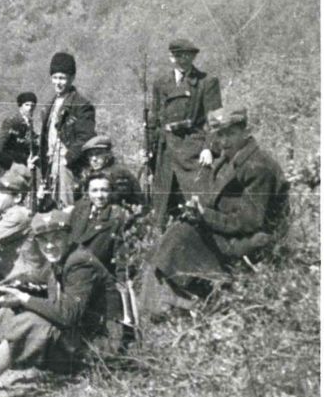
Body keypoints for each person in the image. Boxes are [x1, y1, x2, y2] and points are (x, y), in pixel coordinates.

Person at [0, 209, 111, 397]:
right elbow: (30, 279)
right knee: (7, 313)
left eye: (56, 238)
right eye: (43, 240)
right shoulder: (61, 259)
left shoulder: (79, 263)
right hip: (78, 337)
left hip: (97, 347)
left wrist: (24, 298)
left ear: (68, 237)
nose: (49, 245)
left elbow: (68, 314)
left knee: (31, 321)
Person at [139, 107, 289, 319]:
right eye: (220, 135)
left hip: (251, 240)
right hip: (231, 232)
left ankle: (173, 310)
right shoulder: (229, 160)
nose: (224, 141)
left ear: (245, 132)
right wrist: (198, 211)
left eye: (231, 134)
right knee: (176, 234)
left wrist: (205, 216)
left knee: (179, 237)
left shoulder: (257, 166)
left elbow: (250, 222)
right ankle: (164, 308)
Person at [149, 38, 222, 230]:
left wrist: (209, 148)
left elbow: (215, 120)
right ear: (171, 57)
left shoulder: (206, 82)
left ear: (193, 57)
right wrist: (148, 150)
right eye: (177, 56)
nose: (182, 60)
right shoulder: (160, 83)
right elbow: (153, 119)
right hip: (165, 152)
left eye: (187, 56)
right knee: (163, 208)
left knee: (197, 204)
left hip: (192, 150)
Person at [37, 52, 96, 208]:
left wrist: (67, 158)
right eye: (55, 77)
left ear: (72, 78)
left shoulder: (82, 105)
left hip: (69, 167)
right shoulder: (49, 105)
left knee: (67, 207)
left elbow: (86, 137)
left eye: (62, 78)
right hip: (50, 165)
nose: (58, 82)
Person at [67, 173, 127, 275]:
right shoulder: (78, 211)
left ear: (111, 192)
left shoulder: (117, 217)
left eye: (104, 190)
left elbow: (121, 259)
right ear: (87, 192)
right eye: (94, 190)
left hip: (98, 275)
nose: (99, 196)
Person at [75, 135, 144, 212]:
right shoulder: (91, 173)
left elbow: (115, 200)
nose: (94, 159)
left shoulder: (118, 173)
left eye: (98, 154)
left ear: (108, 155)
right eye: (90, 155)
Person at [0, 92, 38, 168]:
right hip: (12, 163)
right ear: (20, 106)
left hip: (25, 163)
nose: (30, 108)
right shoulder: (11, 121)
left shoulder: (29, 122)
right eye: (27, 105)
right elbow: (0, 145)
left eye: (32, 105)